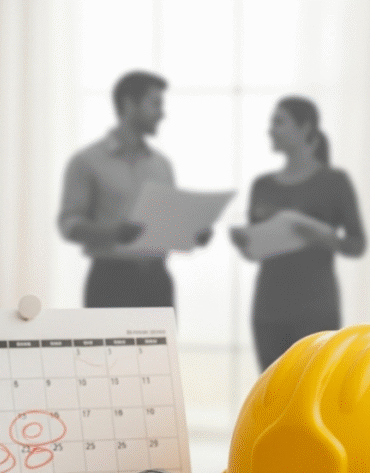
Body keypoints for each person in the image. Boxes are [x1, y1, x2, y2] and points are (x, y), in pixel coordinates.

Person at [231, 96, 365, 371]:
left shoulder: (335, 182)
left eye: (279, 122)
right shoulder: (262, 185)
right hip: (268, 310)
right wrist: (245, 244)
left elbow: (356, 244)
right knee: (272, 394)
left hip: (315, 309)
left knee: (310, 392)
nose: (271, 129)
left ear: (305, 128)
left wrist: (321, 236)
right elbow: (254, 252)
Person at [58, 70, 211, 309]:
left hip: (157, 281)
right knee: (109, 347)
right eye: (155, 104)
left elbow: (168, 222)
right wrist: (112, 233)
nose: (162, 113)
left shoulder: (162, 165)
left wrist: (193, 233)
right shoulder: (87, 161)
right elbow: (68, 224)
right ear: (129, 104)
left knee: (162, 348)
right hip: (110, 281)